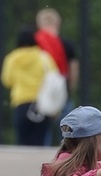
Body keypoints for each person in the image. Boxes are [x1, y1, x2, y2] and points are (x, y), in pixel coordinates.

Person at [1, 27, 57, 146]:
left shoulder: (11, 59)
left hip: (21, 102)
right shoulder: (44, 58)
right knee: (40, 141)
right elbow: (54, 78)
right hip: (41, 104)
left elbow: (7, 81)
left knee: (22, 141)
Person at [34, 7, 79, 144]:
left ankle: (41, 156)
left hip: (40, 91)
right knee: (66, 130)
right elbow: (74, 70)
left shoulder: (35, 43)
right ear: (58, 24)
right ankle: (66, 156)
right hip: (61, 90)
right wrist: (70, 88)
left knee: (42, 131)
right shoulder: (66, 44)